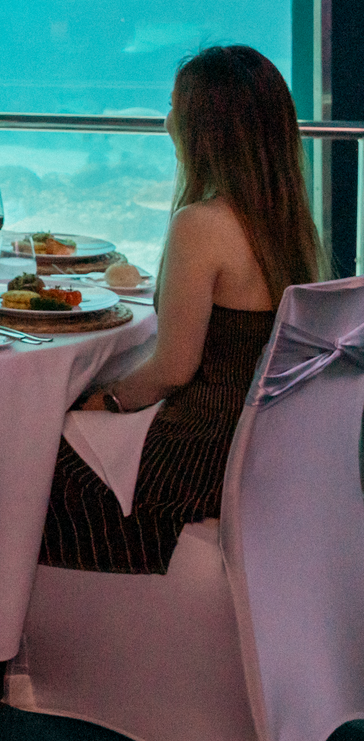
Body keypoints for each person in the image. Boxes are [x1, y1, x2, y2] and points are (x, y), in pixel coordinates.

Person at [41, 46, 320, 575]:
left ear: (203, 129)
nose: (167, 121)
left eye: (174, 108)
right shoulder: (290, 228)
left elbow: (173, 369)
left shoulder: (201, 224)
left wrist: (99, 401)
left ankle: (11, 642)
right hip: (258, 449)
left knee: (31, 455)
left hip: (197, 455)